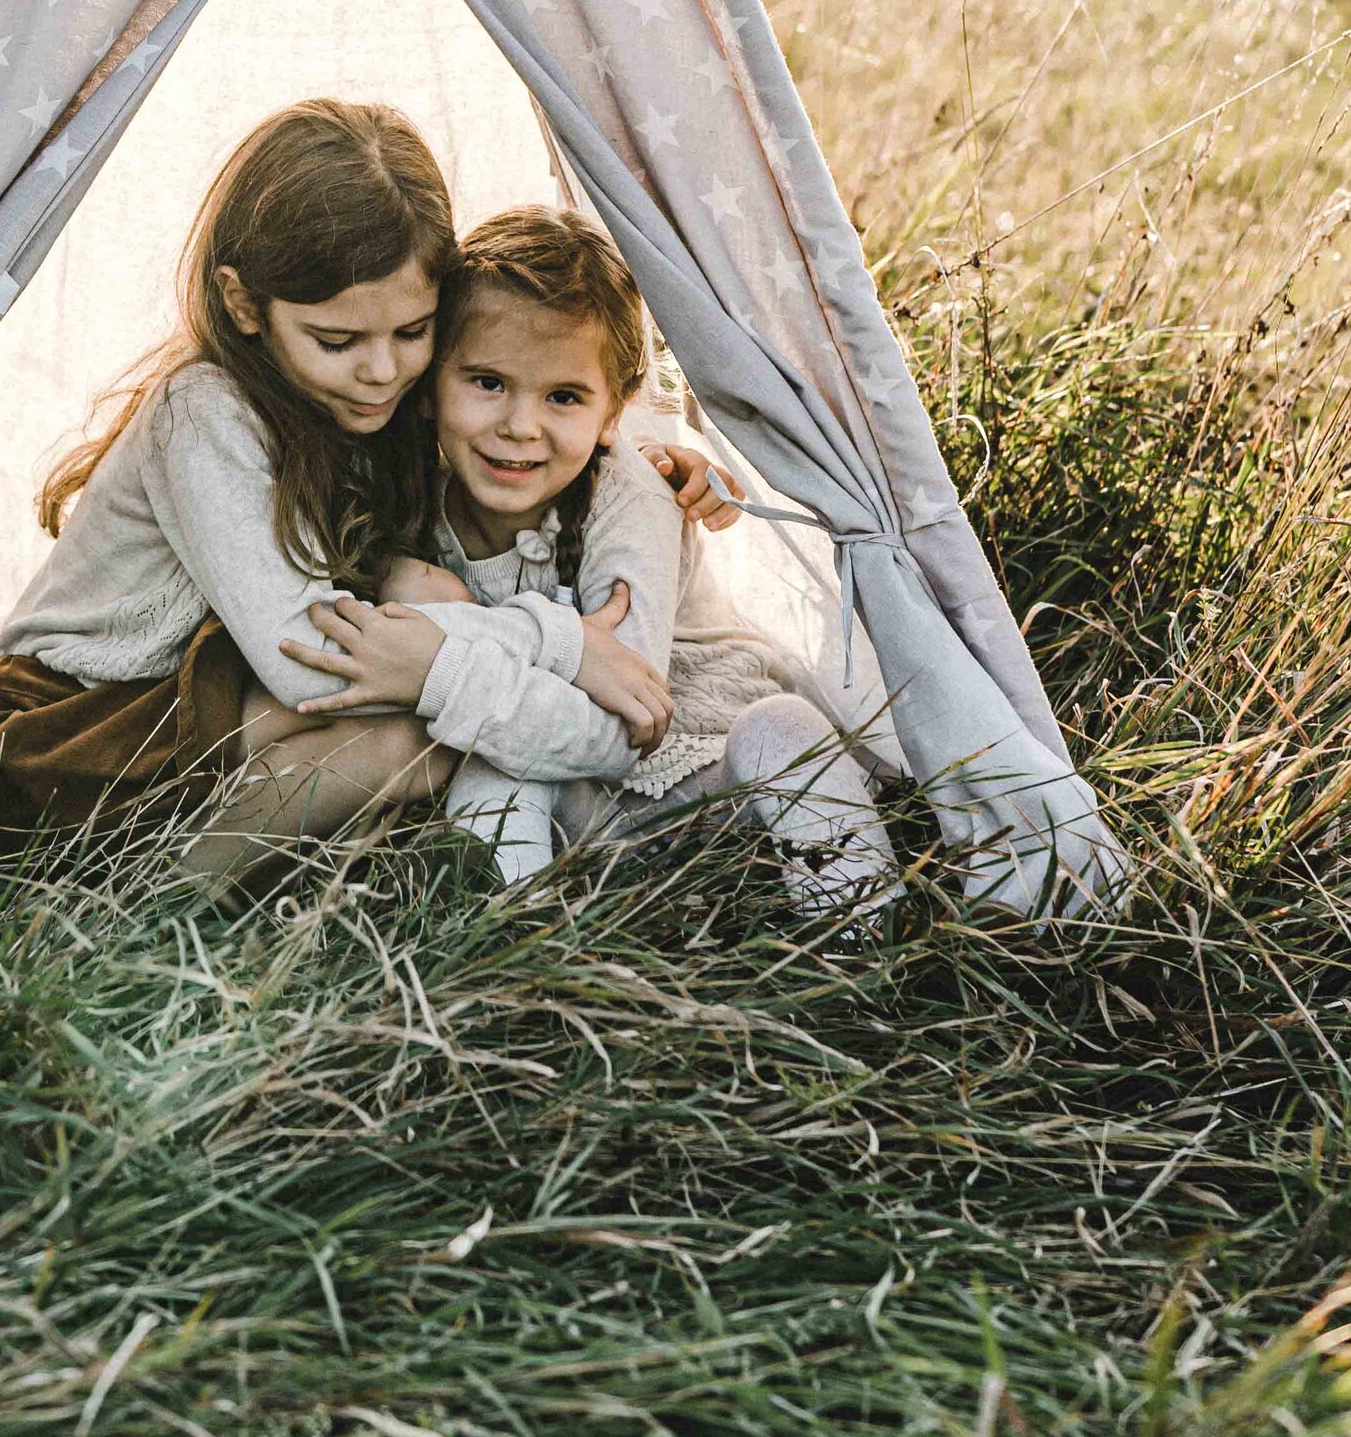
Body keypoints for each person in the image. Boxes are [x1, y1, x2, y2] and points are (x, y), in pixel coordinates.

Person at [0, 101, 725, 876]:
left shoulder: (376, 401)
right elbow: (308, 664)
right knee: (423, 722)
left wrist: (665, 453)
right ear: (243, 305)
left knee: (427, 630)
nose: (382, 370)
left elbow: (554, 390)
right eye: (337, 341)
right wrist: (556, 644)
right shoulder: (200, 412)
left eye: (412, 333)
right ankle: (142, 899)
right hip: (71, 731)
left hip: (215, 706)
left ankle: (323, 872)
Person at [283, 208, 902, 919]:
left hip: (713, 772)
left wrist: (447, 661)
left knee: (780, 728)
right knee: (494, 767)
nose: (520, 426)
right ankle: (518, 945)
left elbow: (627, 717)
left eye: (564, 397)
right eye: (487, 382)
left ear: (615, 413)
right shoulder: (418, 501)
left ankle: (860, 925)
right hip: (590, 817)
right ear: (429, 389)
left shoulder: (629, 493)